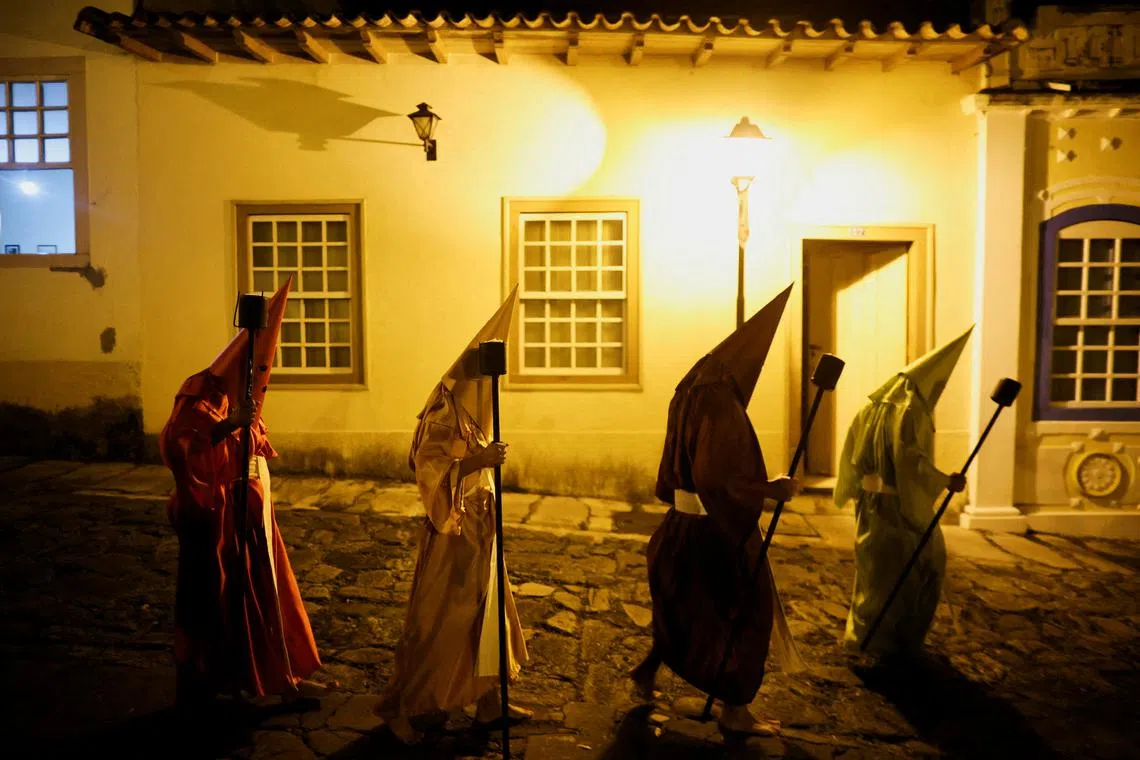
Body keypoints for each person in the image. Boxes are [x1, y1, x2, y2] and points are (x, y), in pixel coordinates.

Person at [631, 285, 806, 737]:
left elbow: (674, 476)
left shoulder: (687, 389)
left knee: (682, 610)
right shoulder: (721, 403)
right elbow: (715, 479)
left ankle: (648, 671)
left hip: (680, 527)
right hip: (713, 533)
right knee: (746, 615)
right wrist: (770, 489)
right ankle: (734, 709)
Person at [159, 277, 323, 710]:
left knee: (266, 597)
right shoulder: (202, 400)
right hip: (219, 526)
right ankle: (214, 685)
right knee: (220, 603)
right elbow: (183, 444)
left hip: (251, 517)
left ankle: (276, 677)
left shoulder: (240, 399)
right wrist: (231, 427)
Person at [377, 286, 531, 745]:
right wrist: (478, 463)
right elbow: (430, 475)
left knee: (488, 615)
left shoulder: (470, 413)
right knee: (441, 622)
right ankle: (403, 704)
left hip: (480, 528)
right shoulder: (444, 415)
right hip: (453, 535)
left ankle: (486, 699)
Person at [834, 326, 973, 658]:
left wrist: (851, 488)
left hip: (869, 503)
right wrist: (944, 482)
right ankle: (889, 645)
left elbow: (851, 452)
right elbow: (911, 461)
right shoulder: (910, 410)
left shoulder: (872, 405)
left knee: (872, 572)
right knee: (911, 572)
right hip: (896, 506)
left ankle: (863, 637)